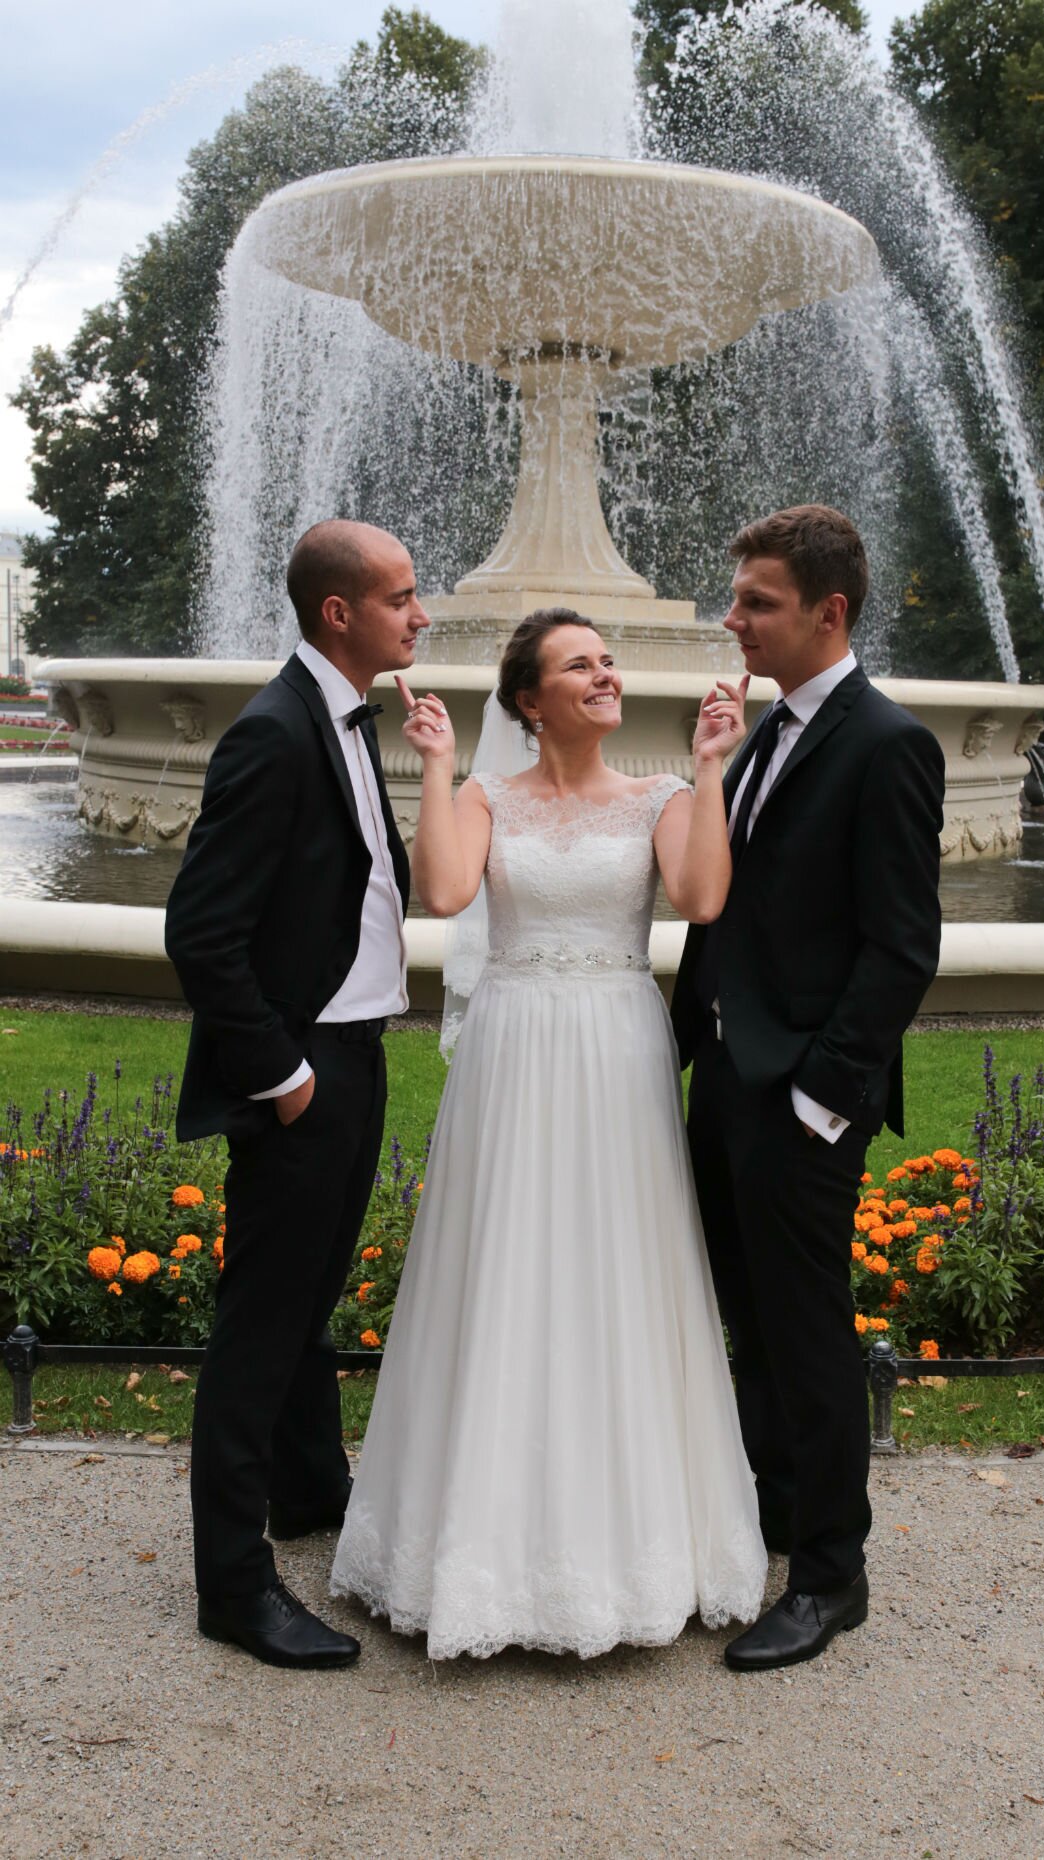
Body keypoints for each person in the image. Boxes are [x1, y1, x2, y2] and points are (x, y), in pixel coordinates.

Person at [330, 608, 768, 1659]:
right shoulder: (486, 797)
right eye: (580, 665)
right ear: (530, 700)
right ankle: (475, 1550)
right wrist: (439, 766)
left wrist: (712, 766)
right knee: (505, 1263)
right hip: (515, 1049)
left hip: (617, 1050)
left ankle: (636, 1547)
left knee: (620, 1265)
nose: (605, 675)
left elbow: (703, 896)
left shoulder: (661, 796)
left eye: (607, 662)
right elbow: (444, 892)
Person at [671, 505, 945, 1673]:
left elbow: (901, 949)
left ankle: (832, 1576)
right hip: (726, 1081)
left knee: (807, 1333)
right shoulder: (765, 733)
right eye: (737, 598)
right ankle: (775, 1518)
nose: (733, 619)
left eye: (757, 603)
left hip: (801, 1103)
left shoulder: (887, 744)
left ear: (828, 612)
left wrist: (820, 1100)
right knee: (748, 1320)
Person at [165, 519, 430, 1670]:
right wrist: (283, 1076)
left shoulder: (342, 717)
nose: (419, 614)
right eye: (401, 597)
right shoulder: (275, 733)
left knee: (311, 1290)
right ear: (339, 612)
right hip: (304, 1065)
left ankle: (310, 1491)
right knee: (261, 1326)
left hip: (354, 1049)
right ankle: (233, 1586)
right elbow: (200, 931)